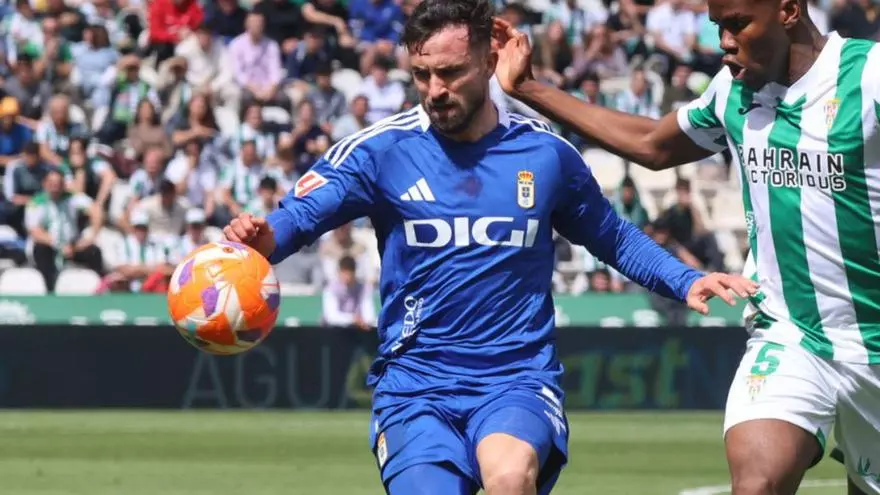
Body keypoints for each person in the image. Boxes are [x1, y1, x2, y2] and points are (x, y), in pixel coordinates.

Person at [223, 1, 755, 494]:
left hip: (516, 379)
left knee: (510, 478)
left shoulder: (545, 153)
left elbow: (612, 236)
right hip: (414, 386)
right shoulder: (381, 151)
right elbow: (299, 218)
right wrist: (263, 240)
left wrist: (685, 279)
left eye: (450, 72)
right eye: (422, 75)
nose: (435, 89)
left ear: (487, 61)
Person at [494, 5, 880, 493]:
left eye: (737, 23)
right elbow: (653, 144)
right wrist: (528, 88)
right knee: (756, 483)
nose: (724, 41)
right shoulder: (733, 91)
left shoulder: (869, 76)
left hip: (872, 342)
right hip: (792, 335)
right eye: (718, 26)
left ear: (786, 10)